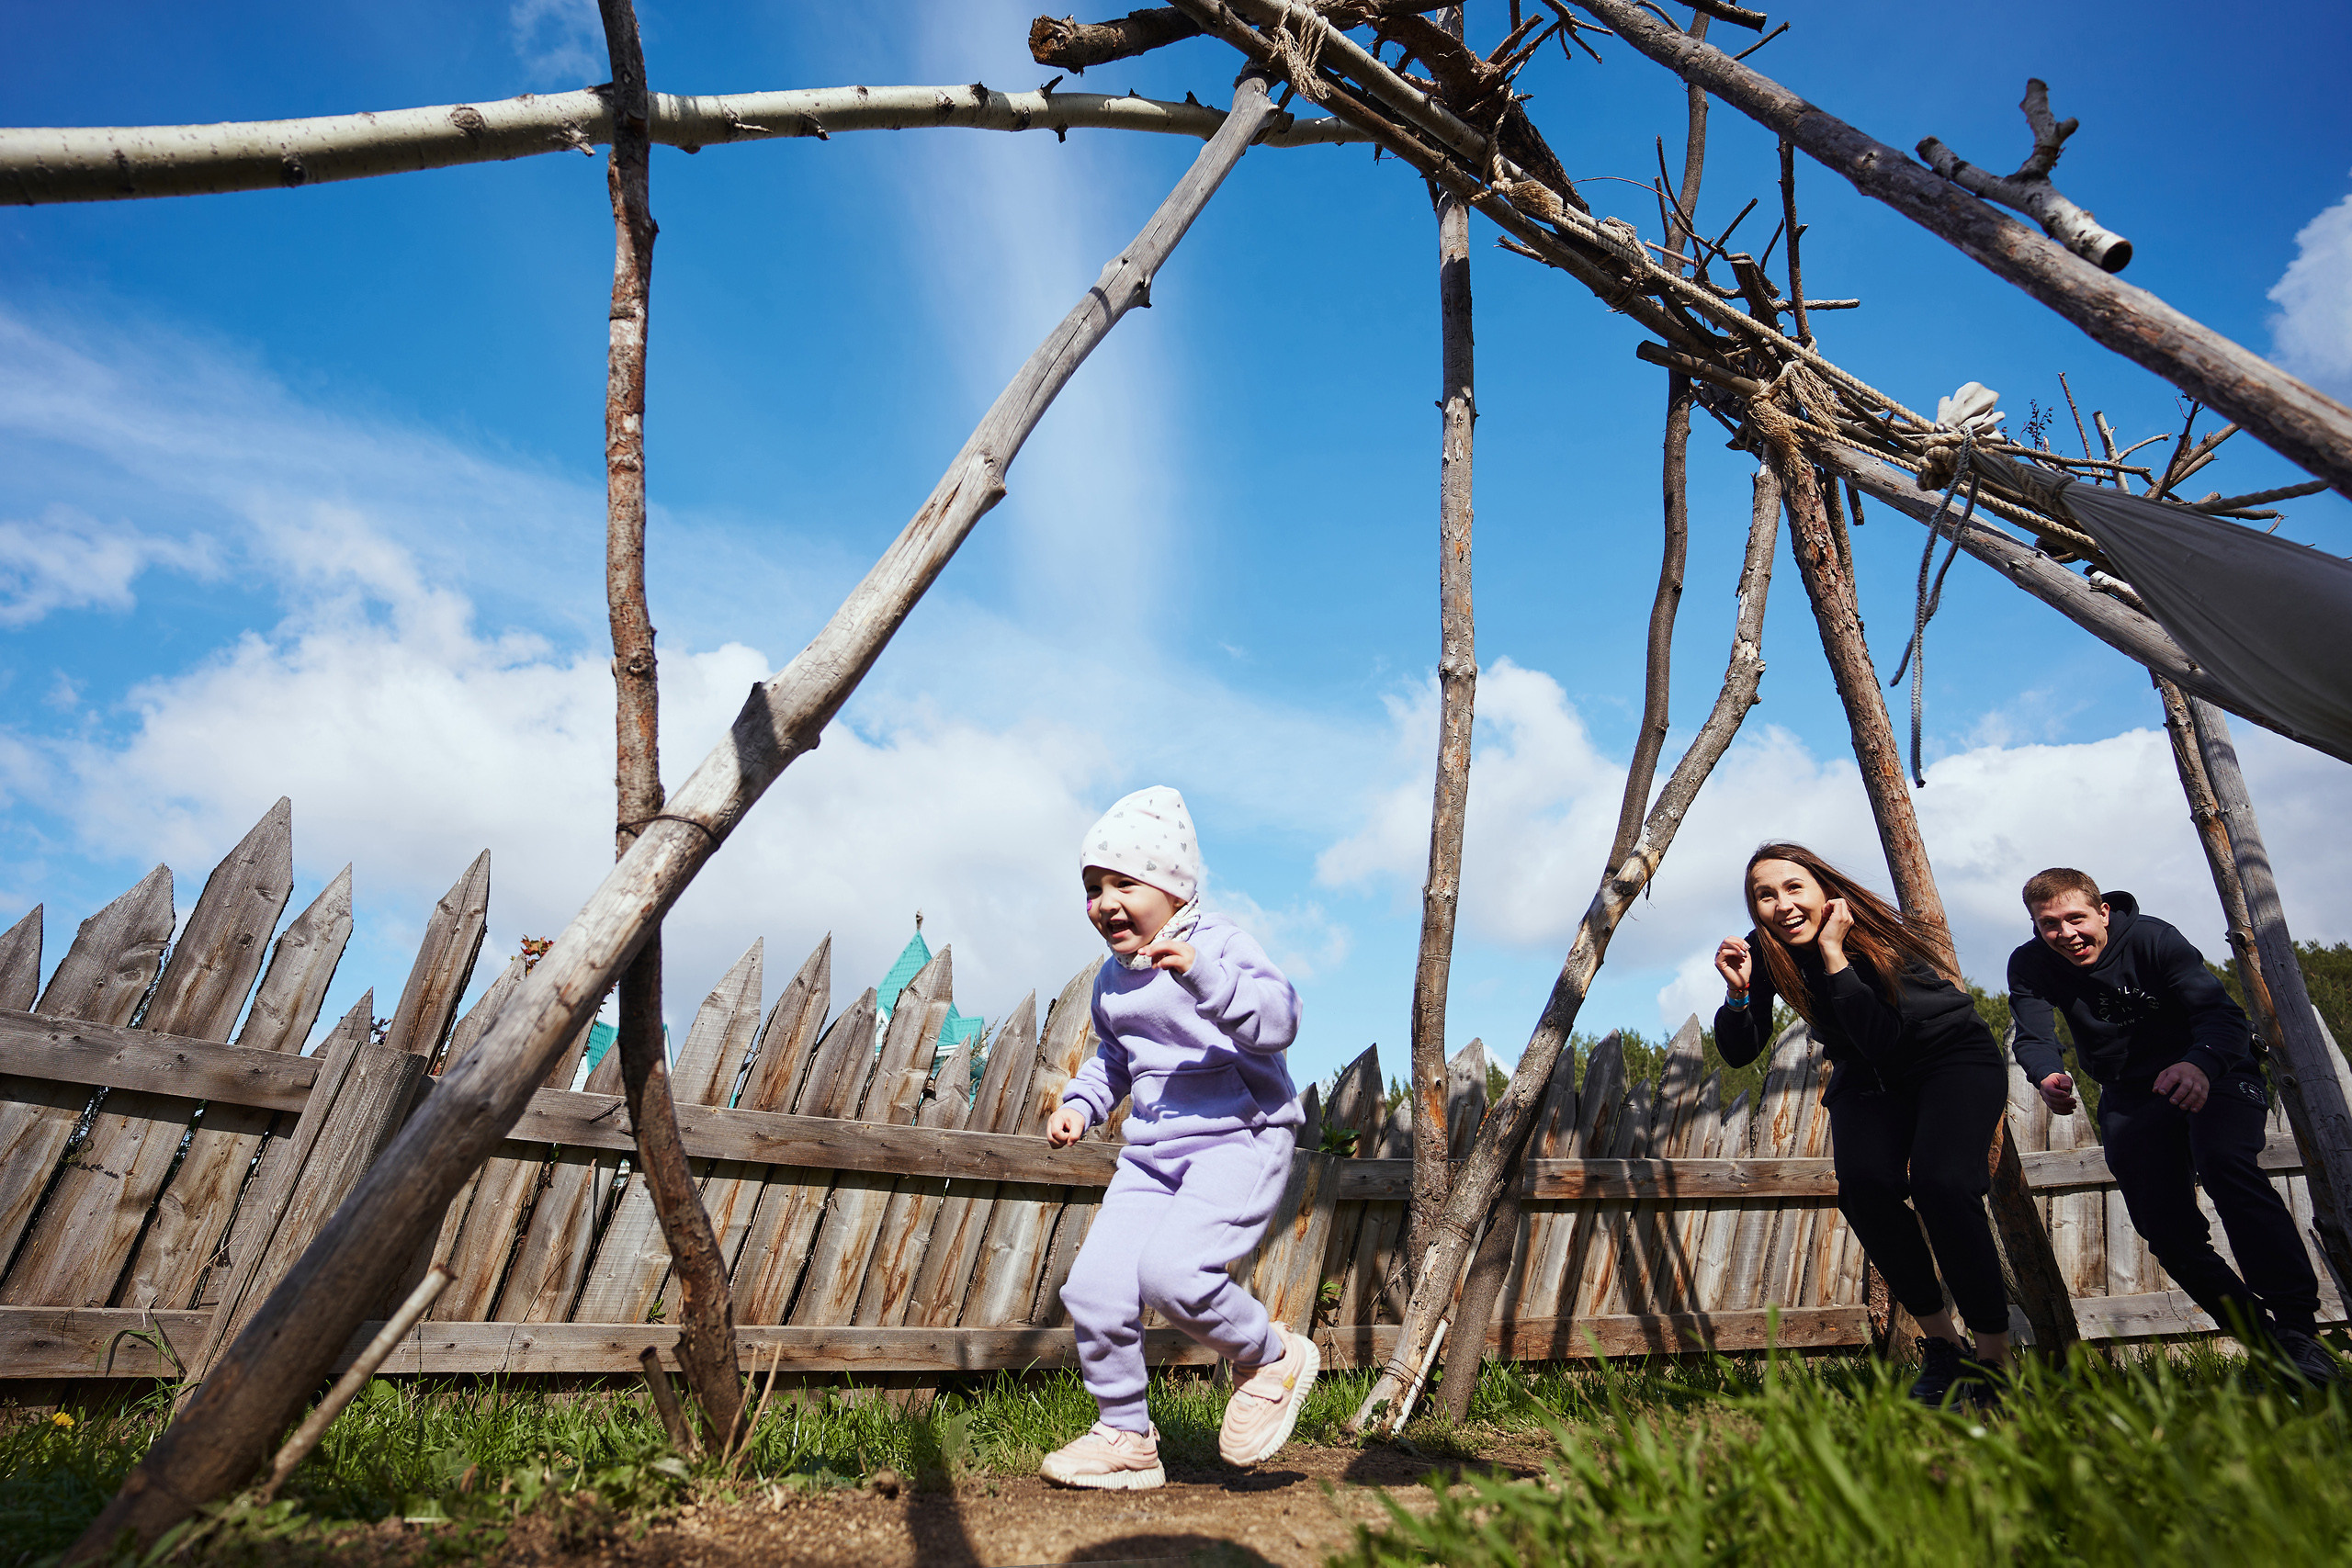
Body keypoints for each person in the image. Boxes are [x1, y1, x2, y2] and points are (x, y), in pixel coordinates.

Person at [1038, 785, 1318, 1491]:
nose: (1104, 902)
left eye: (1122, 883)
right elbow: (1112, 1059)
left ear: (1172, 888)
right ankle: (1127, 1436)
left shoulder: (1218, 943)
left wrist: (1206, 977)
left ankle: (1270, 1355)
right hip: (1152, 1152)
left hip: (1240, 1138)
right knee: (1096, 1287)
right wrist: (1082, 1103)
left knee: (1174, 1274)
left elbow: (1280, 1019)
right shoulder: (1111, 980)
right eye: (1093, 887)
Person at [1714, 842, 2011, 1407]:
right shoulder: (1766, 950)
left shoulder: (1869, 939)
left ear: (1824, 890)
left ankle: (1995, 1358)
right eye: (1765, 895)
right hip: (1869, 1070)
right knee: (1866, 1189)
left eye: (1793, 887)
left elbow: (1883, 1035)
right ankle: (1945, 1349)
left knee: (1943, 1186)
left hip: (1948, 1059)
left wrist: (1833, 955)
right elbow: (1740, 1051)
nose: (1782, 904)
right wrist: (1739, 994)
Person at [2008, 868, 2333, 1383]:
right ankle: (2266, 1346)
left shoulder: (2154, 938)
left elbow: (2221, 1016)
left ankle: (2298, 1331)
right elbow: (2031, 1032)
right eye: (2050, 924)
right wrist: (2047, 1072)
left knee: (2225, 1164)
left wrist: (2199, 1065)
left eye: (2076, 918)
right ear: (2035, 927)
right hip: (2132, 1093)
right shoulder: (2029, 964)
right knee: (2164, 1227)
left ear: (2103, 912)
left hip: (2213, 1070)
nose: (2066, 934)